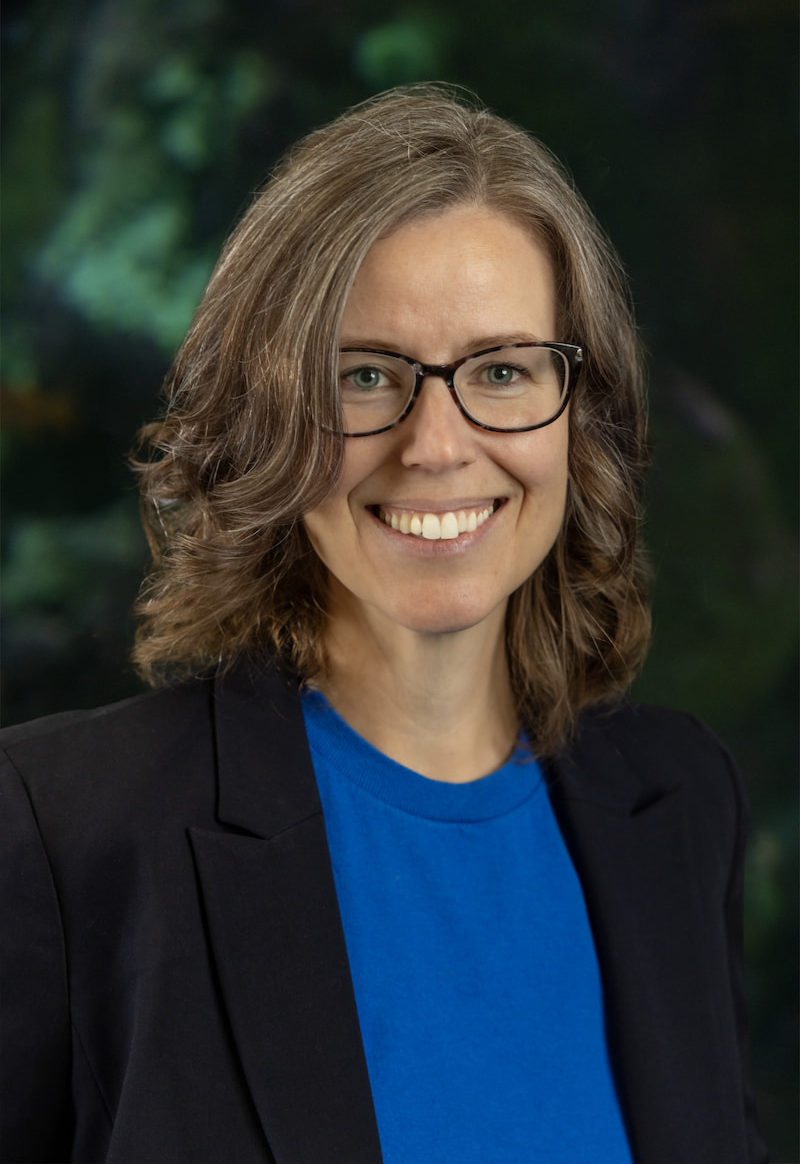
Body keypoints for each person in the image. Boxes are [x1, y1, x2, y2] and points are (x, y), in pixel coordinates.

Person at [0, 86, 766, 1164]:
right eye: (364, 376)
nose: (435, 445)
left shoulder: (682, 803)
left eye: (502, 371)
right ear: (265, 414)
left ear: (580, 414)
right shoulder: (61, 829)